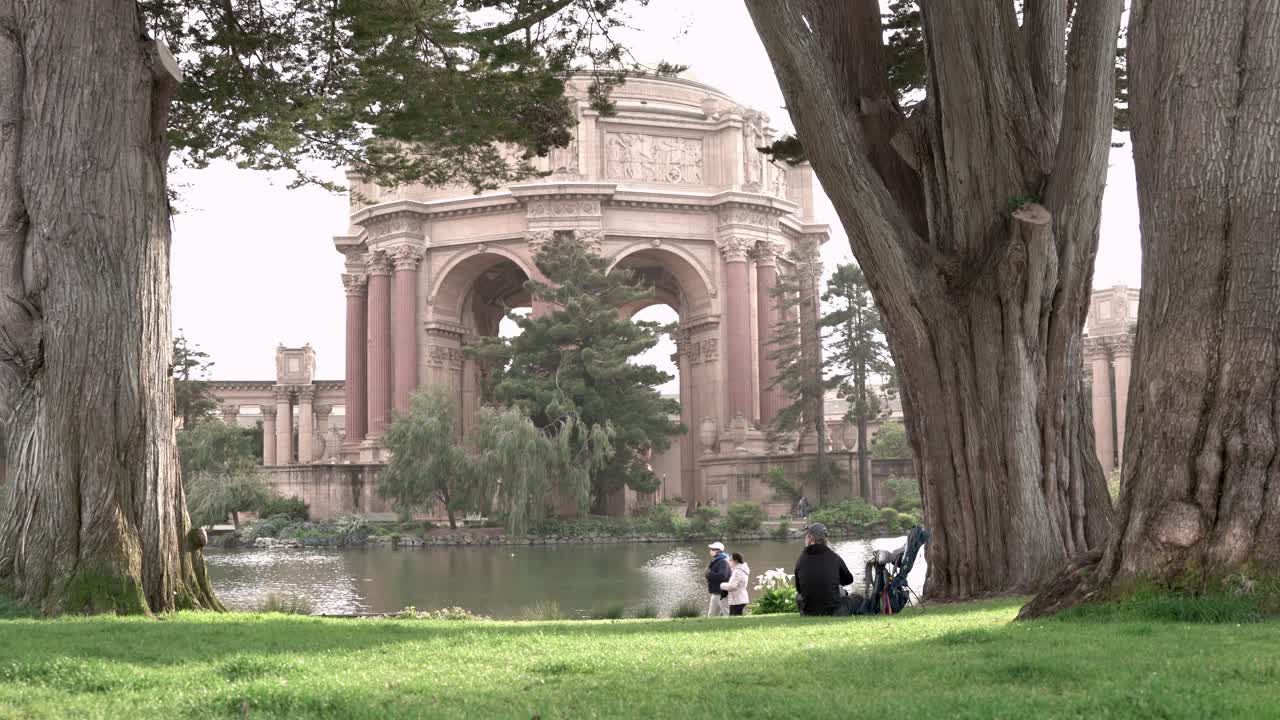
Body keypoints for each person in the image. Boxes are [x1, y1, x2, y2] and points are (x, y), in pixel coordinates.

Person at [793, 523, 859, 616]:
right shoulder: (834, 557)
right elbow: (849, 579)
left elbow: (799, 590)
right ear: (825, 539)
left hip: (808, 612)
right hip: (834, 611)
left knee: (799, 597)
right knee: (857, 597)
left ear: (810, 538)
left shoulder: (800, 560)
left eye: (806, 536)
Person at [704, 541, 731, 616]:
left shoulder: (723, 561)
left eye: (713, 549)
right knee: (711, 615)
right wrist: (708, 574)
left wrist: (709, 573)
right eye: (711, 549)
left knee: (727, 613)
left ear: (718, 551)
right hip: (716, 592)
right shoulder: (716, 560)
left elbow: (723, 576)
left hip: (722, 593)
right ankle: (711, 627)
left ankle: (732, 626)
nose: (711, 551)